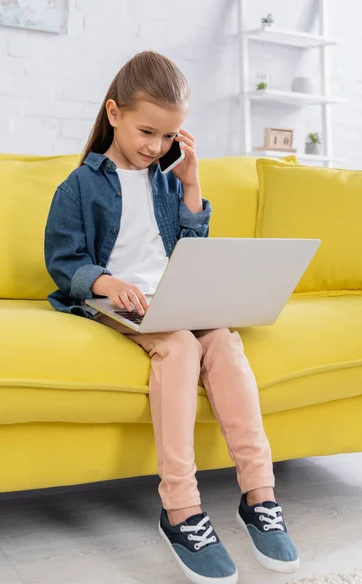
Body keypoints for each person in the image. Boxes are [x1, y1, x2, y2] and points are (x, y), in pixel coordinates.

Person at [44, 50, 299, 583]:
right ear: (113, 113)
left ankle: (260, 495)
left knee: (225, 341)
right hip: (120, 302)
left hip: (176, 293)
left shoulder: (165, 180)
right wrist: (108, 282)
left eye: (168, 137)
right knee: (180, 345)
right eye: (147, 132)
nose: (155, 147)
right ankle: (180, 507)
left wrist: (189, 182)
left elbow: (190, 248)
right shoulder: (79, 186)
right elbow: (65, 262)